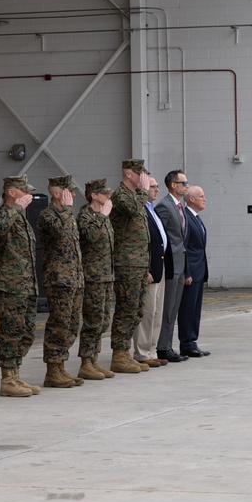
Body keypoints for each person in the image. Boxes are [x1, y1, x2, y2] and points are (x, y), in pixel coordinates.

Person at [0, 175, 41, 397]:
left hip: (26, 285)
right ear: (12, 193)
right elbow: (0, 228)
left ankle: (16, 374)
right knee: (11, 332)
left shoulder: (21, 218)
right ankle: (7, 379)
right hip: (10, 285)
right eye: (24, 191)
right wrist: (16, 210)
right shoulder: (4, 214)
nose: (28, 194)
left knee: (26, 332)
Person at [37, 176, 85, 388]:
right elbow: (61, 233)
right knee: (59, 323)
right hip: (59, 279)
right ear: (57, 193)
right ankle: (53, 370)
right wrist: (66, 210)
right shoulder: (48, 215)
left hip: (74, 277)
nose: (72, 195)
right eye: (68, 191)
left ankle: (61, 367)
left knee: (73, 323)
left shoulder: (68, 214)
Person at [108, 159, 152, 374]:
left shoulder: (135, 196)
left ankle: (124, 353)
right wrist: (143, 192)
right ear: (128, 174)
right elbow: (133, 210)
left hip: (138, 263)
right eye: (139, 173)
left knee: (136, 310)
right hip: (126, 262)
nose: (143, 177)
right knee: (126, 309)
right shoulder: (121, 196)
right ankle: (118, 354)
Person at [77, 179, 116, 380]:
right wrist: (102, 217)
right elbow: (91, 236)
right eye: (104, 193)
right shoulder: (86, 216)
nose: (108, 197)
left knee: (102, 321)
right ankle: (85, 362)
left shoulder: (103, 216)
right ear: (94, 195)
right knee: (92, 320)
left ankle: (94, 359)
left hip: (106, 275)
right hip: (93, 276)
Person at [133, 174, 169, 368]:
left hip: (159, 267)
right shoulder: (140, 211)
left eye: (156, 186)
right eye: (152, 186)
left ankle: (151, 351)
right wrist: (145, 268)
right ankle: (142, 352)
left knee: (156, 312)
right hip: (150, 269)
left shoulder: (152, 210)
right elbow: (140, 243)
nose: (156, 189)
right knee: (146, 313)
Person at [154, 170, 189, 363]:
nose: (187, 186)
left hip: (180, 264)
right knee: (167, 308)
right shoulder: (165, 207)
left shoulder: (178, 207)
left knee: (174, 308)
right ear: (173, 185)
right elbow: (160, 237)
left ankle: (167, 345)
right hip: (170, 264)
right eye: (184, 182)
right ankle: (162, 347)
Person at [180, 185, 211, 358]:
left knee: (195, 309)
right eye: (201, 196)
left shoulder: (196, 218)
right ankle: (186, 343)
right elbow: (185, 248)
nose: (204, 199)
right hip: (191, 271)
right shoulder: (186, 217)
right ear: (192, 199)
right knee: (187, 309)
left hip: (199, 270)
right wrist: (187, 272)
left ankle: (192, 341)